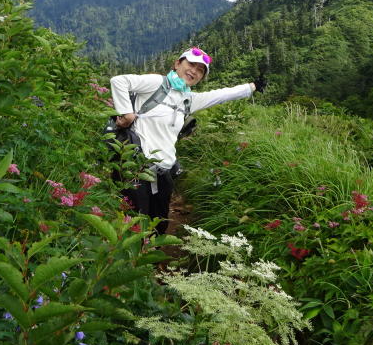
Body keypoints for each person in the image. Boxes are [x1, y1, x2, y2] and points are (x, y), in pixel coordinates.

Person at [110, 47, 265, 234]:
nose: (194, 71)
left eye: (200, 70)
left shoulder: (188, 100)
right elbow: (119, 81)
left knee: (158, 222)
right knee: (133, 220)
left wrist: (251, 87)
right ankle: (126, 260)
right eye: (191, 64)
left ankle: (150, 258)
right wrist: (126, 114)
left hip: (163, 169)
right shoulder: (157, 83)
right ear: (177, 63)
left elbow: (220, 95)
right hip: (136, 164)